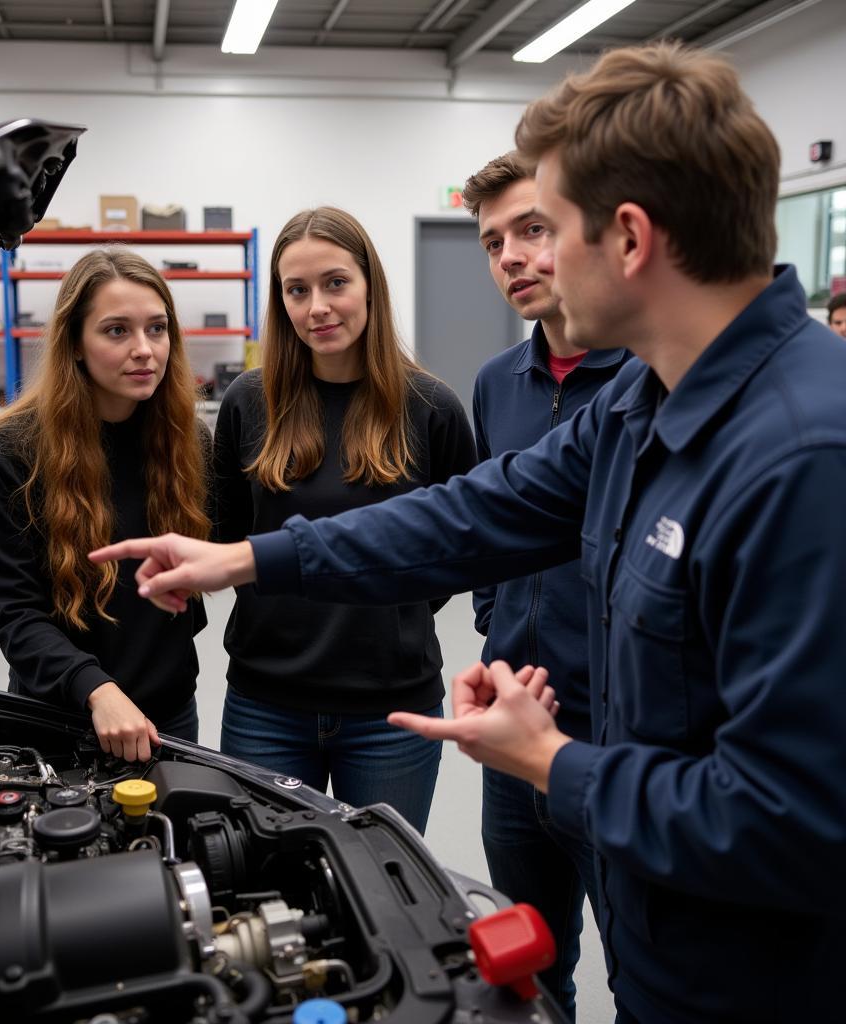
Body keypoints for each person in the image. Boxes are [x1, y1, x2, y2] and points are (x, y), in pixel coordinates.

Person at [91, 43, 846, 1023]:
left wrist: (551, 763)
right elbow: (469, 513)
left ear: (627, 238)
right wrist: (245, 556)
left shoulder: (802, 456)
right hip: (662, 936)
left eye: (550, 228)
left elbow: (795, 821)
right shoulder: (639, 405)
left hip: (759, 978)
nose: (528, 263)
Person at [211, 207, 477, 833]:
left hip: (391, 711)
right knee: (266, 890)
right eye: (296, 290)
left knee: (384, 895)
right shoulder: (249, 402)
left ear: (369, 287)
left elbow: (458, 550)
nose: (317, 307)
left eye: (335, 283)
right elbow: (225, 537)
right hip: (265, 704)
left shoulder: (431, 407)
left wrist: (388, 614)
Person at [464, 150, 628, 1017]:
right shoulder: (497, 384)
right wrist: (498, 628)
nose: (513, 259)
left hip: (615, 737)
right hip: (508, 719)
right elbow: (489, 522)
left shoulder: (646, 378)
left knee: (640, 969)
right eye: (493, 243)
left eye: (532, 230)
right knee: (529, 967)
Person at [0, 248, 211, 762]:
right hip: (58, 718)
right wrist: (96, 688)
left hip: (170, 717)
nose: (144, 349)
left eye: (157, 329)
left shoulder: (190, 440)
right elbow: (14, 612)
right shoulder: (15, 450)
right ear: (74, 343)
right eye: (117, 330)